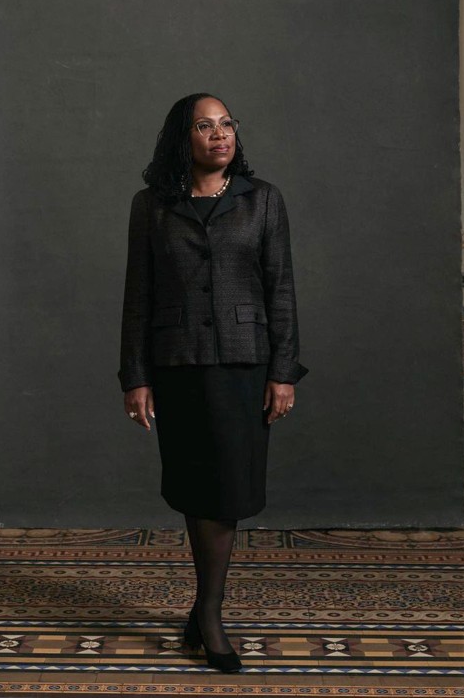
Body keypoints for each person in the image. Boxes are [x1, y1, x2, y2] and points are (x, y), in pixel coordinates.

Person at [118, 92, 307, 673]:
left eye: (227, 125)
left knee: (229, 489)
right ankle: (210, 616)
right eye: (205, 126)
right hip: (178, 365)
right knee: (198, 485)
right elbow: (138, 297)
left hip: (245, 364)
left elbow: (281, 289)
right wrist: (136, 378)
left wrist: (283, 372)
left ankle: (206, 609)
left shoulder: (263, 201)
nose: (220, 135)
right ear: (184, 138)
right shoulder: (152, 205)